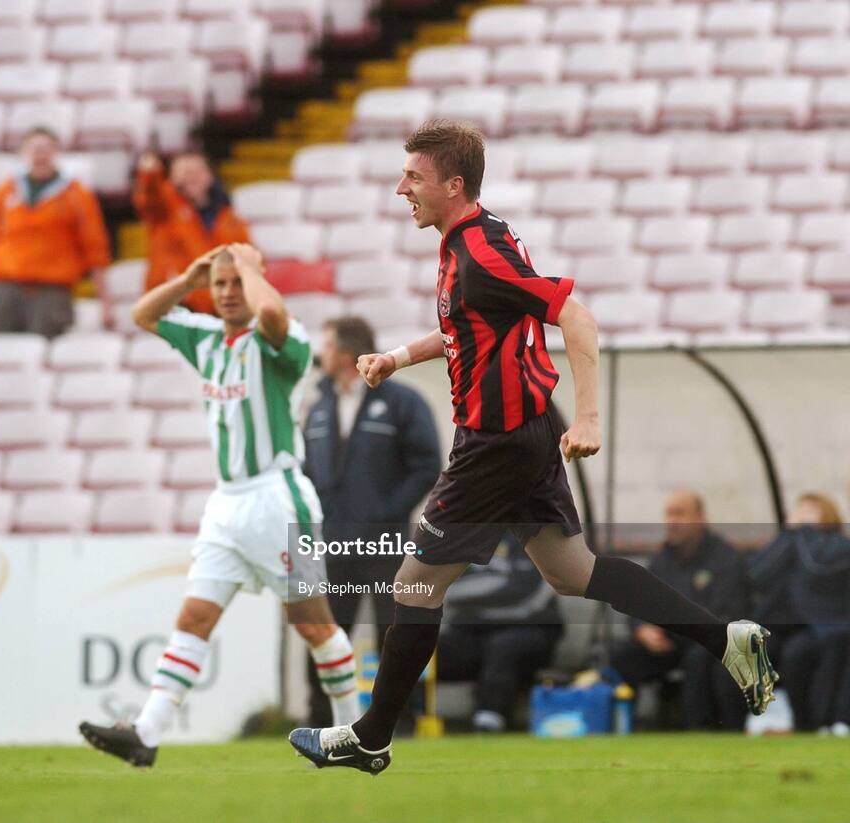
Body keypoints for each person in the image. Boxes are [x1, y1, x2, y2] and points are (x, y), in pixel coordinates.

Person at [288, 119, 778, 775]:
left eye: (413, 176)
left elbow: (576, 316)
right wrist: (399, 356)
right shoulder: (476, 236)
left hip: (496, 442)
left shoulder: (480, 253)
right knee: (572, 571)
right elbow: (468, 325)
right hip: (524, 430)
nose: (400, 187)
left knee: (413, 584)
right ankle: (725, 637)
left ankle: (372, 734)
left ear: (453, 185)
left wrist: (591, 417)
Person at [79, 243, 360, 767]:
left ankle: (351, 735)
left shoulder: (283, 339)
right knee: (194, 616)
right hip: (226, 504)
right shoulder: (207, 339)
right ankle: (146, 732)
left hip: (277, 498)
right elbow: (144, 313)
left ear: (254, 280)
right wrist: (189, 279)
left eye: (237, 283)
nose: (229, 293)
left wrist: (250, 268)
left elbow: (271, 312)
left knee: (314, 625)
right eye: (221, 284)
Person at [303, 316, 442, 727]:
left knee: (394, 636)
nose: (321, 354)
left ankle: (398, 723)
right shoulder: (317, 406)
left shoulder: (403, 402)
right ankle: (319, 724)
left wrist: (388, 512)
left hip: (386, 544)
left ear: (344, 353)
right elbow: (307, 470)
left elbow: (426, 464)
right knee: (325, 634)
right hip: (332, 544)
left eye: (326, 345)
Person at [610, 491, 749, 730]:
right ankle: (623, 728)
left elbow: (726, 611)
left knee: (698, 658)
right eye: (669, 513)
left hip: (706, 641)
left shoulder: (725, 557)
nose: (672, 520)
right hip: (667, 641)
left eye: (680, 513)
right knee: (623, 655)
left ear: (700, 518)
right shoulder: (661, 559)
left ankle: (696, 730)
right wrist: (642, 629)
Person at [0, 126, 110, 338]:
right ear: (24, 153)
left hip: (51, 287)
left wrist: (105, 301)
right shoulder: (6, 190)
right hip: (5, 282)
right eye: (34, 149)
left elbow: (95, 247)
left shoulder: (76, 195)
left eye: (46, 149)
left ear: (56, 153)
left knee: (45, 349)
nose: (40, 154)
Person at [437, 537, 563, 733]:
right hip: (473, 632)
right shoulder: (464, 536)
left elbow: (522, 588)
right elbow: (444, 586)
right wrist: (496, 583)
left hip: (531, 630)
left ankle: (488, 721)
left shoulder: (533, 534)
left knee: (503, 646)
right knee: (419, 648)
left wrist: (475, 590)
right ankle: (401, 718)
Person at [750, 493, 850, 733]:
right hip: (795, 629)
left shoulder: (837, 547)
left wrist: (802, 532)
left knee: (815, 654)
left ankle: (829, 721)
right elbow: (757, 575)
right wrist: (789, 535)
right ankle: (802, 723)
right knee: (790, 656)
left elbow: (818, 566)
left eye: (810, 512)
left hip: (832, 626)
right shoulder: (790, 544)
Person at [133, 149, 251, 313]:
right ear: (172, 178)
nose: (191, 178)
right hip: (176, 304)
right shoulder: (165, 210)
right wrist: (150, 173)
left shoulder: (228, 216)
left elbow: (246, 256)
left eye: (196, 171)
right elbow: (149, 196)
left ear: (209, 175)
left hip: (220, 305)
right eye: (184, 172)